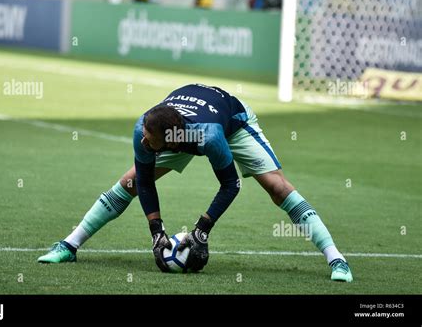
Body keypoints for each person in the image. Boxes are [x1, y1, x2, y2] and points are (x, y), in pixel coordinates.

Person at [38, 84, 353, 282]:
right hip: (184, 128)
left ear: (170, 141)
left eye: (150, 141)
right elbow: (145, 182)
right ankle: (69, 245)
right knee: (130, 181)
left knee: (278, 188)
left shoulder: (210, 137)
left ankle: (336, 259)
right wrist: (156, 231)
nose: (143, 144)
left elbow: (230, 185)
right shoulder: (144, 130)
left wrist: (202, 230)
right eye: (144, 138)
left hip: (233, 123)